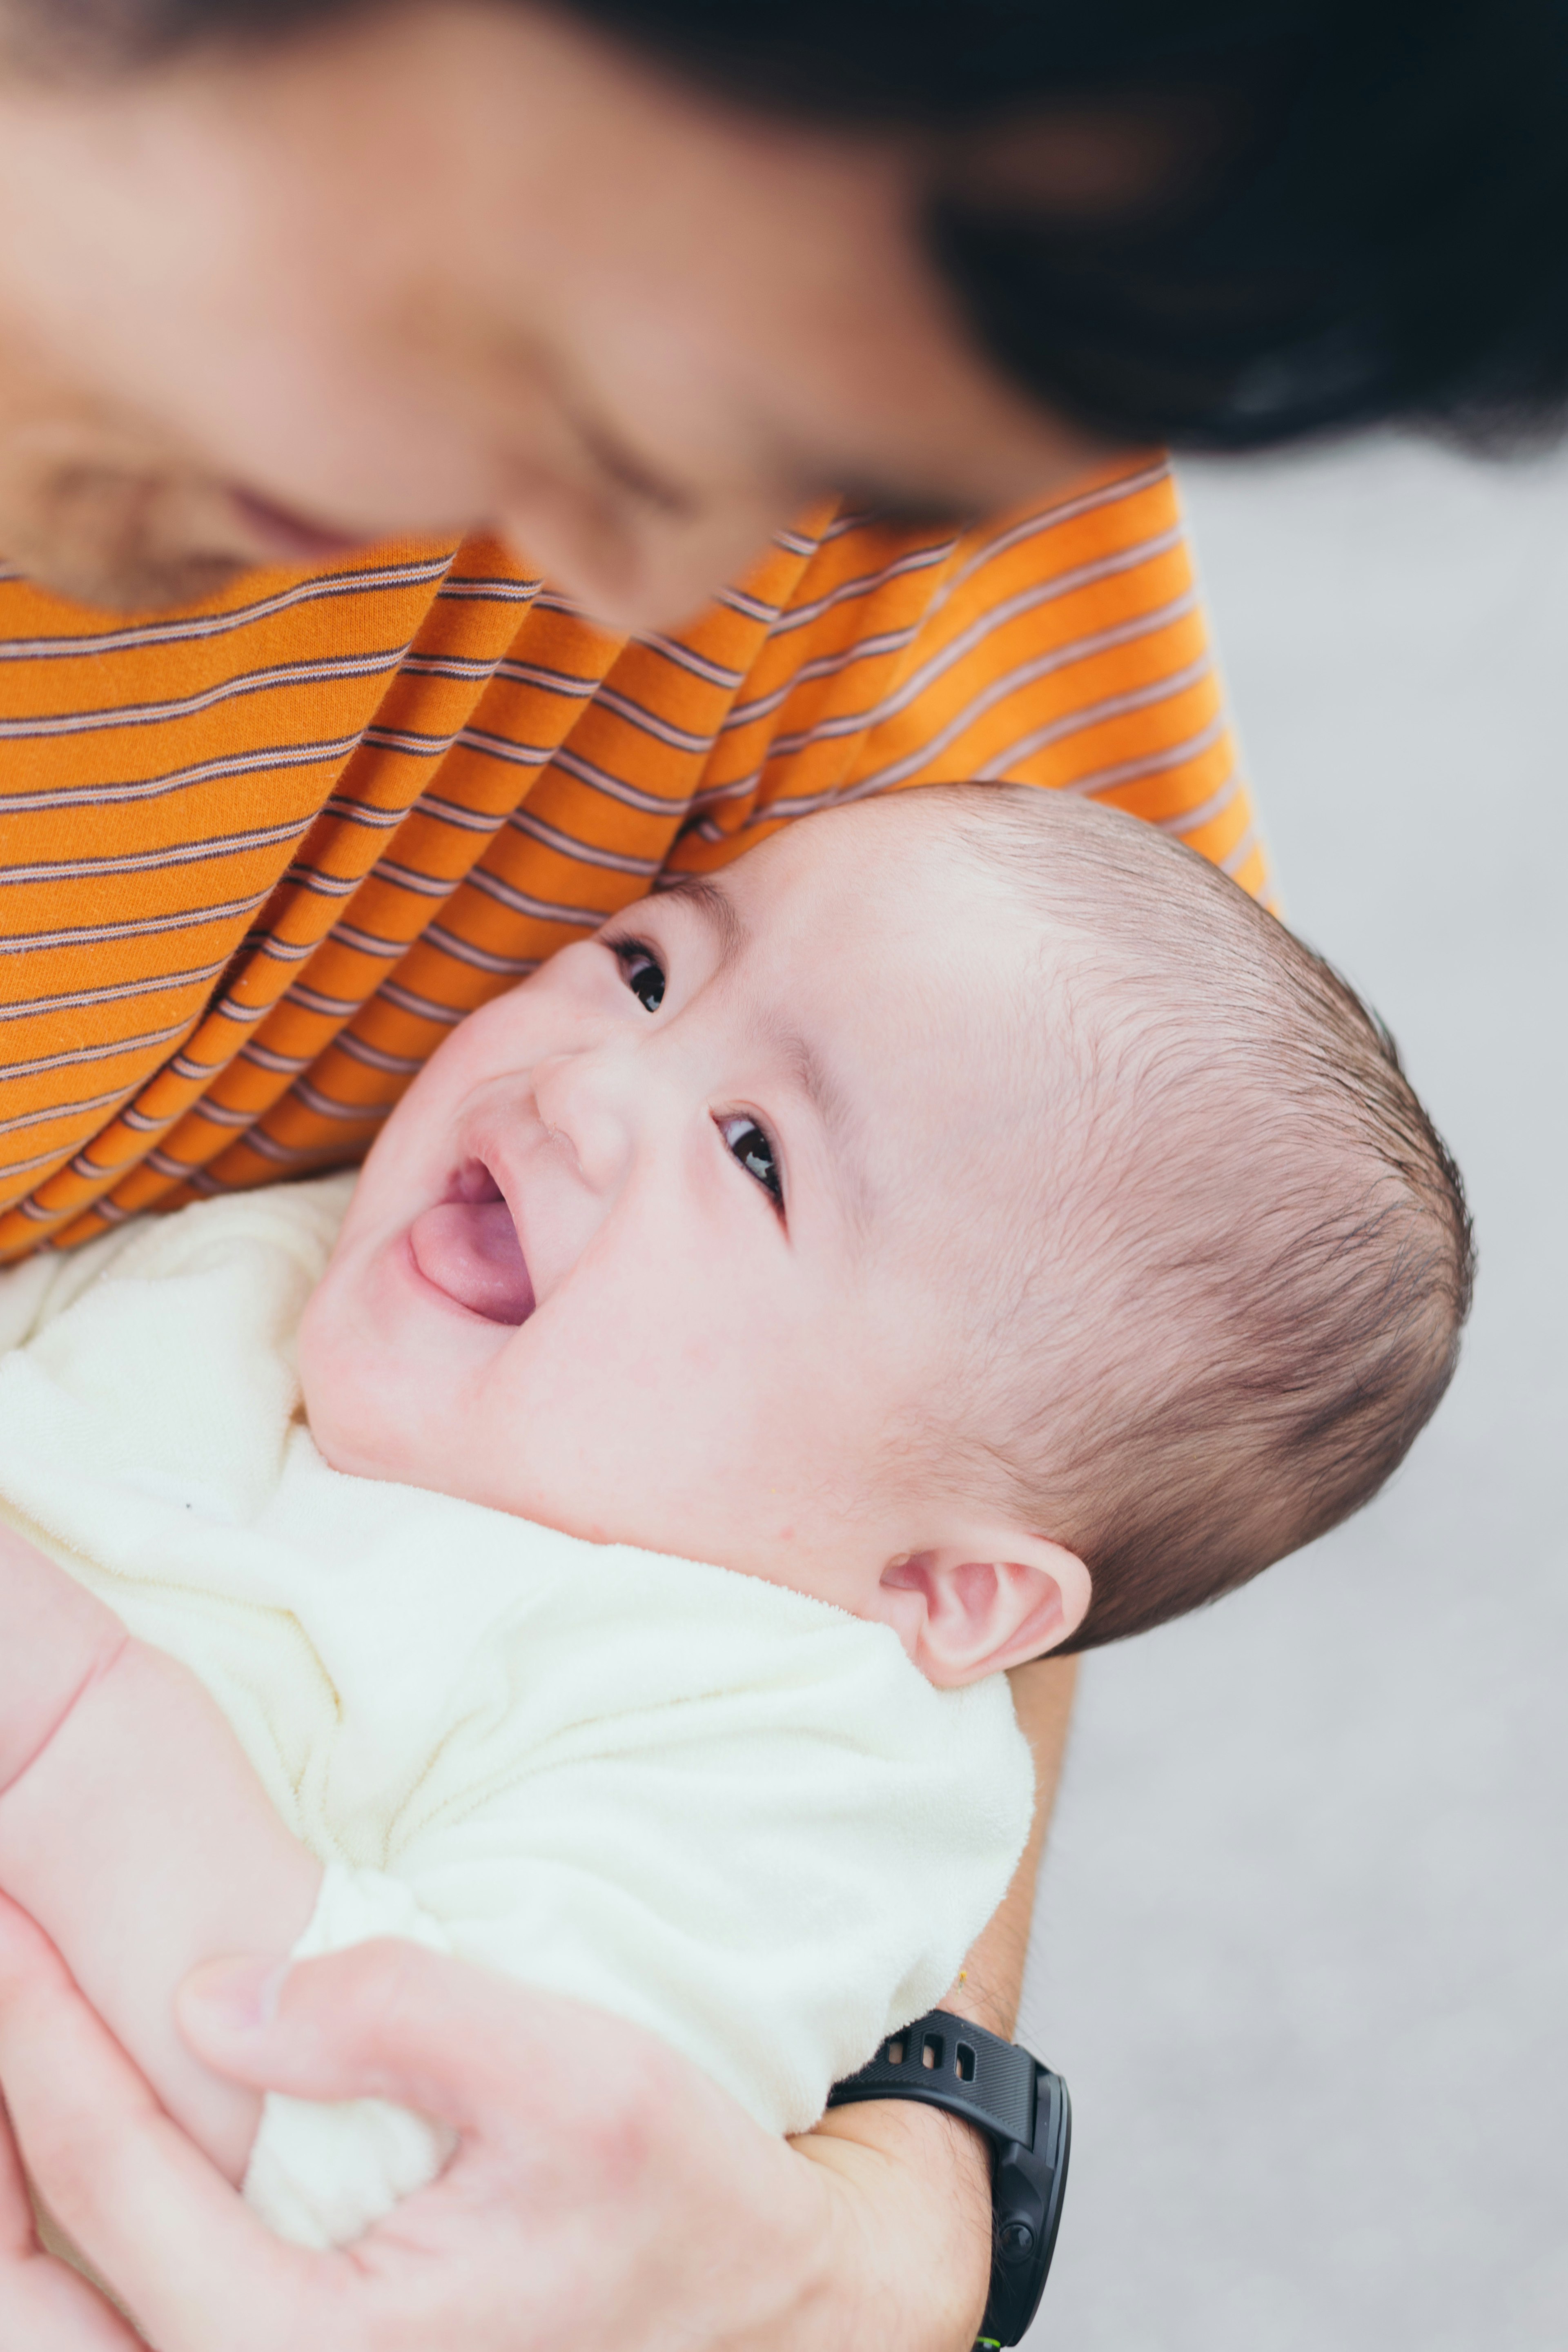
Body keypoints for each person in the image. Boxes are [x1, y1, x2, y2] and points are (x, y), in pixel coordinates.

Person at [0, 2, 1559, 2346]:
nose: (653, 576)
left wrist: (879, 2232)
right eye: (635, 971)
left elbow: (1009, 1409)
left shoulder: (915, 359)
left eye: (749, 1144)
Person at [0, 785, 1469, 2272]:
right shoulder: (269, 1261)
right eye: (646, 970)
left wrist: (62, 1720)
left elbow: (443, 2171)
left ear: (944, 1586)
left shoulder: (790, 1747)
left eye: (758, 1154)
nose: (584, 1085)